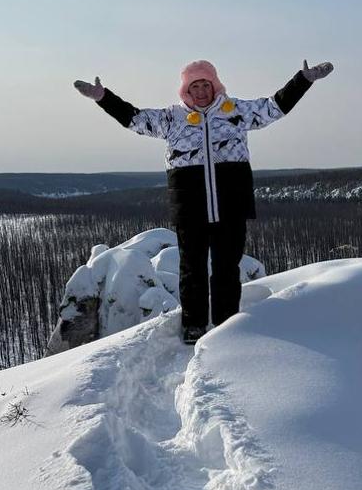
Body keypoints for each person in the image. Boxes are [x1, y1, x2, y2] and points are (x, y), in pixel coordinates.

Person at [73, 59, 334, 344]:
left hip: (230, 206)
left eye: (205, 84)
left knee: (226, 268)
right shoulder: (172, 119)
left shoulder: (234, 111)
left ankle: (226, 324)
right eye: (194, 86)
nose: (200, 91)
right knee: (192, 269)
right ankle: (193, 325)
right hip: (190, 209)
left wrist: (303, 80)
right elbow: (134, 118)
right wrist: (103, 98)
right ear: (186, 90)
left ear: (214, 86)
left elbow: (274, 107)